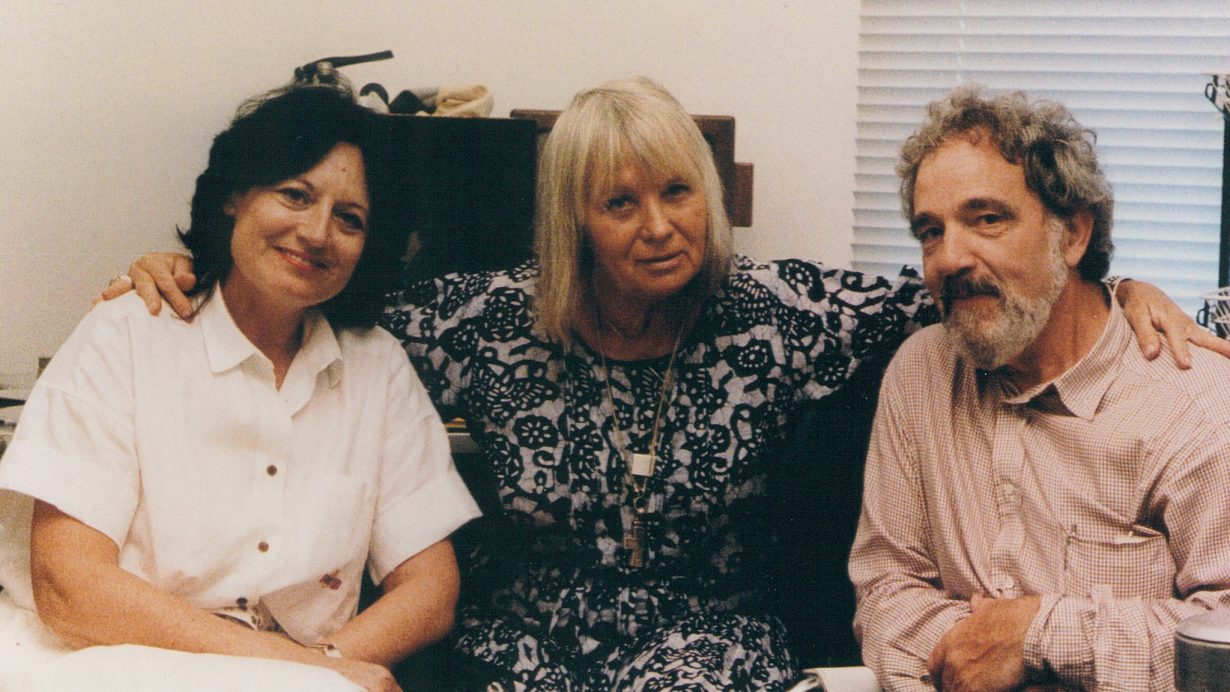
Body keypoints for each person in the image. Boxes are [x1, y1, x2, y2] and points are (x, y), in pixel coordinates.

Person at [109, 77, 1222, 691]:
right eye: (620, 201)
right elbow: (318, 287)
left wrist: (1129, 288)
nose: (660, 227)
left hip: (711, 647)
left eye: (680, 191)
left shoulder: (783, 315)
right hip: (522, 645)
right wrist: (186, 268)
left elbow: (972, 291)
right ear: (573, 221)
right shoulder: (487, 319)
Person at [0, 84, 480, 691]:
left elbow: (431, 590)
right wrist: (305, 672)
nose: (316, 232)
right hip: (105, 661)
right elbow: (69, 588)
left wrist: (327, 667)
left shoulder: (377, 367)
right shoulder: (126, 333)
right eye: (295, 195)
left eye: (350, 219)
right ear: (234, 195)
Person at [848, 86, 1230, 691]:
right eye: (929, 231)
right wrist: (973, 652)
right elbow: (886, 588)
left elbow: (1225, 644)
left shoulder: (1198, 407)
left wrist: (1037, 637)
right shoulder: (919, 374)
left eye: (987, 219)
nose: (948, 258)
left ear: (1073, 235)